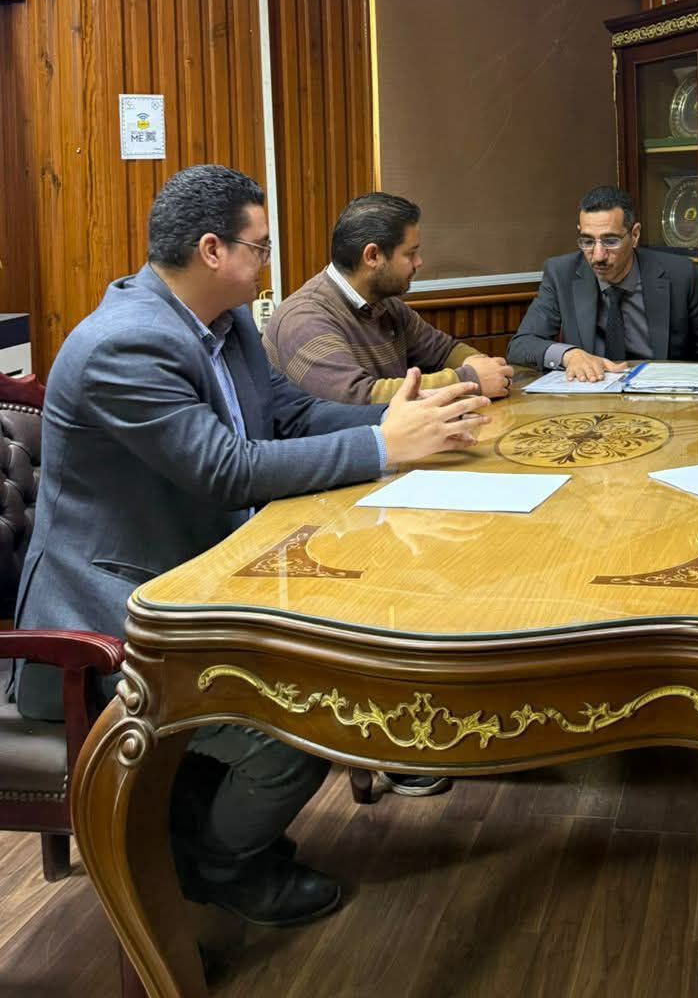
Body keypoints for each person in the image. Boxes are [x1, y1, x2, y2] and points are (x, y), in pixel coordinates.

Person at [14, 165, 488, 930]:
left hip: (198, 583)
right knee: (305, 723)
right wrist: (385, 449)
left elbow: (289, 415)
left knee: (332, 676)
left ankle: (202, 840)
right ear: (212, 250)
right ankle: (214, 864)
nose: (270, 262)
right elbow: (225, 470)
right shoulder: (122, 345)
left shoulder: (228, 320)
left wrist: (404, 420)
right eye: (260, 247)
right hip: (102, 629)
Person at [264, 191, 514, 403]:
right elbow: (355, 399)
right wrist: (470, 379)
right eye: (410, 253)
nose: (419, 262)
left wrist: (482, 366)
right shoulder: (304, 318)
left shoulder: (386, 304)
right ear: (372, 256)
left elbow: (443, 350)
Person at [507, 184, 698, 376]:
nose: (598, 256)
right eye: (587, 241)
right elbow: (520, 346)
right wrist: (569, 355)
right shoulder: (561, 273)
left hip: (661, 396)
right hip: (592, 395)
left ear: (635, 235)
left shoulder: (678, 274)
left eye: (610, 241)